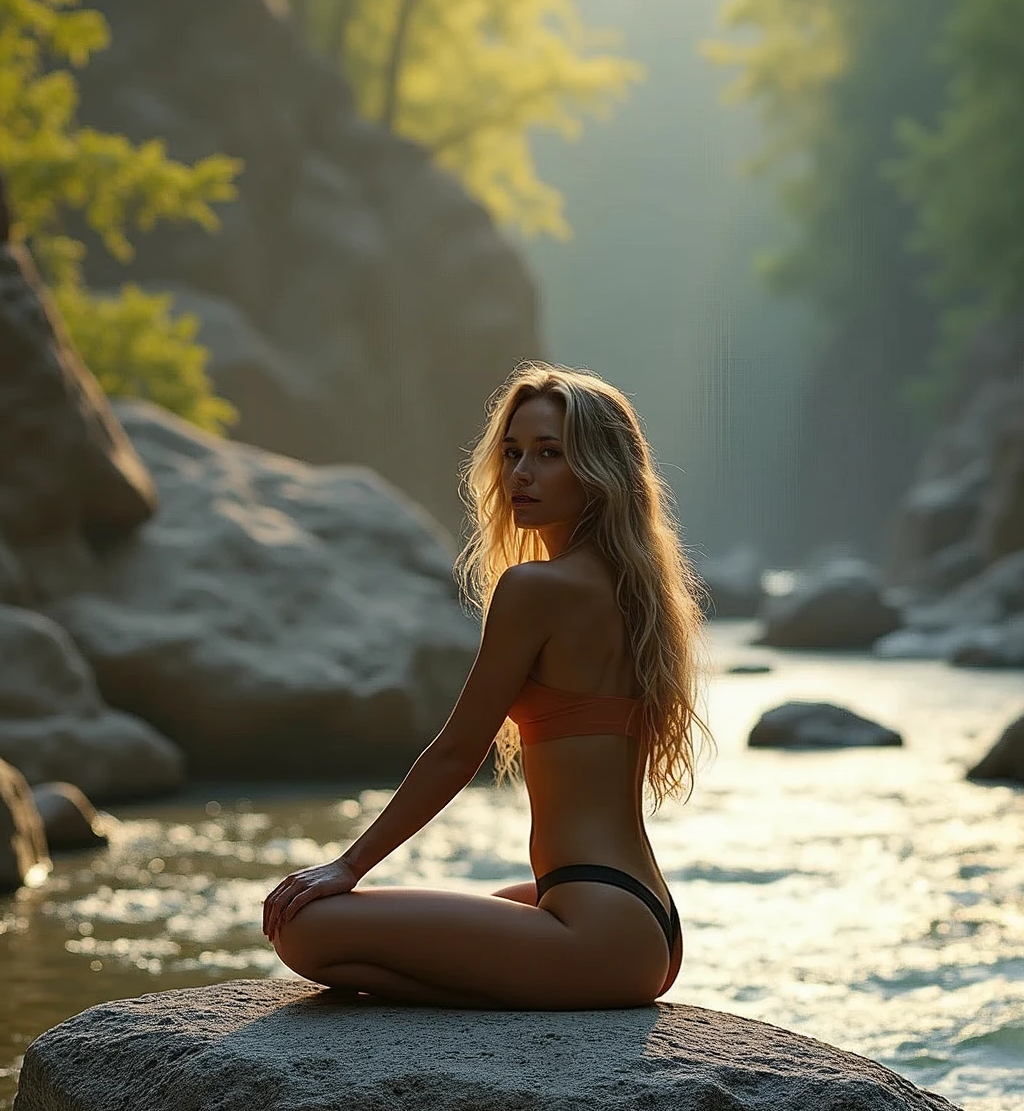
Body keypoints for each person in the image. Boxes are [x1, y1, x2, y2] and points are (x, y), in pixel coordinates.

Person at [262, 364, 706, 1008]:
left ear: (599, 471)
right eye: (512, 452)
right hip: (641, 919)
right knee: (464, 917)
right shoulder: (640, 591)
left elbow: (456, 751)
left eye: (550, 454)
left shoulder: (538, 588)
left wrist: (346, 867)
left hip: (598, 927)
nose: (521, 473)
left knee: (307, 931)